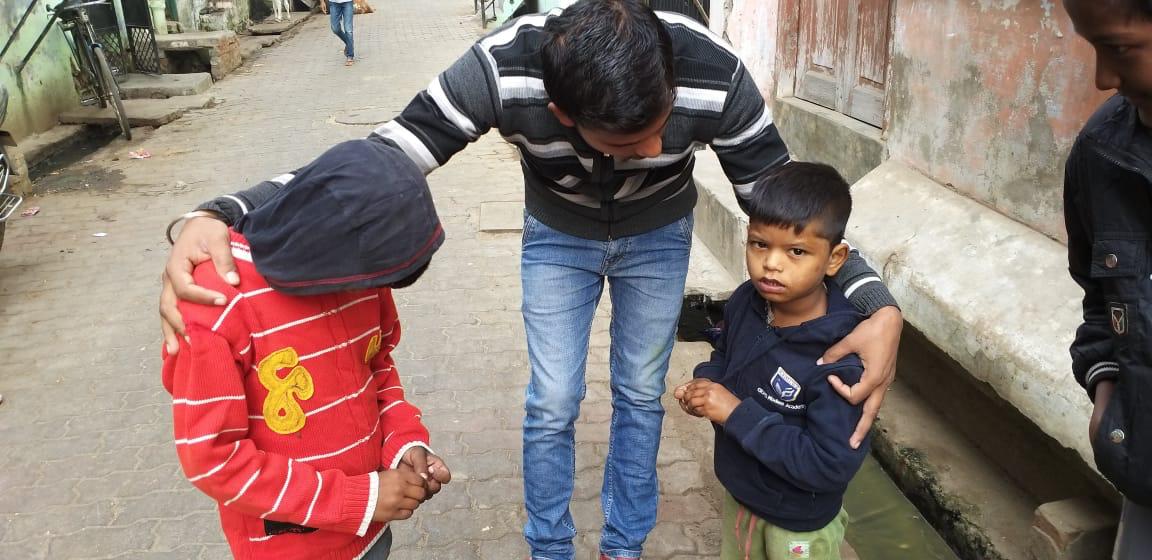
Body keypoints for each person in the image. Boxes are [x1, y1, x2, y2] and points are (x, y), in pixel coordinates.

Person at [158, 2, 904, 558]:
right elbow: (384, 154)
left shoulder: (713, 72)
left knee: (640, 392)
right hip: (559, 233)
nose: (656, 147)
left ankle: (623, 546)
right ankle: (550, 546)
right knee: (551, 401)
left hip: (658, 233)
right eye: (629, 140)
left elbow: (793, 204)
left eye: (663, 125)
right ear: (559, 112)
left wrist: (877, 304)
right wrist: (219, 212)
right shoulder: (500, 69)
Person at [161, 140, 452, 560]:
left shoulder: (364, 279)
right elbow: (213, 459)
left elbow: (376, 368)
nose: (373, 293)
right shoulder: (216, 305)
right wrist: (359, 499)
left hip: (370, 534)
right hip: (287, 548)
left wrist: (403, 444)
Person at [674, 163, 868, 560]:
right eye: (760, 244)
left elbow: (829, 465)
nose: (771, 263)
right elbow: (725, 355)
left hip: (799, 525)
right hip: (742, 495)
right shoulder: (747, 301)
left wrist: (734, 412)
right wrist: (707, 385)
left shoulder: (841, 356)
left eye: (796, 251)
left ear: (834, 258)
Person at [1063, 0, 1152, 557]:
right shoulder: (1100, 154)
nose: (1102, 78)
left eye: (1118, 48)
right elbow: (1101, 300)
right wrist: (1106, 390)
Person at [329, 0, 355, 66]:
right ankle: (349, 44)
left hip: (347, 2)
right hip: (334, 3)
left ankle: (350, 55)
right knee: (335, 29)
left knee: (348, 30)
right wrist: (322, 2)